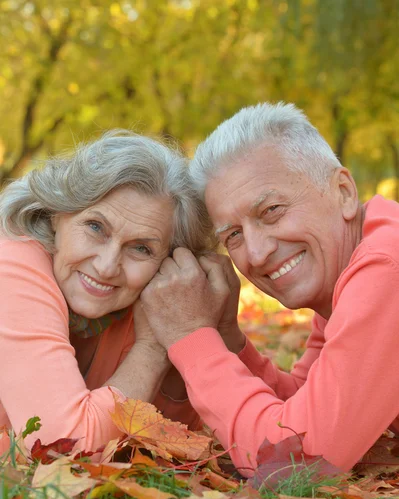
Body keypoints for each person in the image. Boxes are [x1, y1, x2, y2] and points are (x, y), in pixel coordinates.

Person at [140, 102, 399, 476]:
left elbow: (296, 460)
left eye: (272, 210)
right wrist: (226, 337)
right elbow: (304, 406)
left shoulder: (386, 270)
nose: (257, 253)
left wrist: (190, 338)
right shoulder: (350, 269)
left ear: (343, 191)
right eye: (233, 235)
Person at [0, 130, 213, 455]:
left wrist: (194, 329)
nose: (107, 266)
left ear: (168, 261)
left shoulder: (141, 297)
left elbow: (169, 435)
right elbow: (61, 447)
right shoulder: (13, 261)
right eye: (95, 227)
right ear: (57, 213)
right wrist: (152, 348)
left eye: (140, 248)